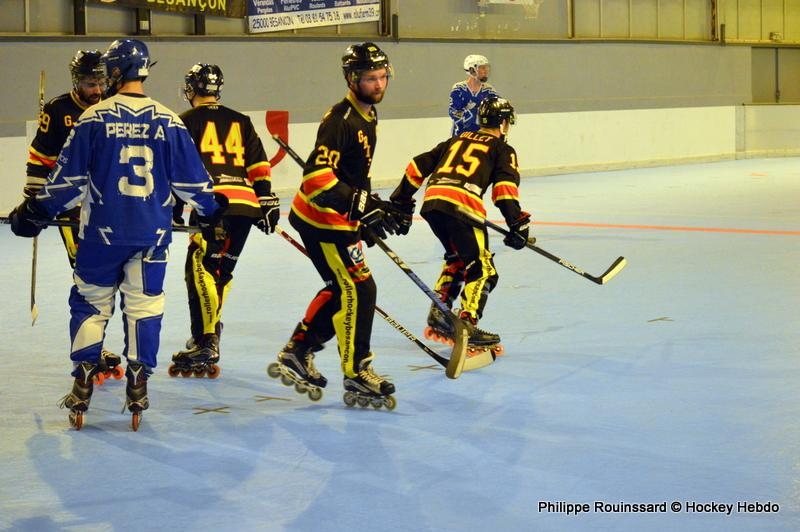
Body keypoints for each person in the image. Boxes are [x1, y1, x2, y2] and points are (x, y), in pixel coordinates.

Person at [9, 39, 224, 430]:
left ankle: (84, 378)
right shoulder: (169, 120)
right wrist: (212, 214)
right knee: (145, 306)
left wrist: (35, 211)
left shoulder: (93, 119)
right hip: (152, 235)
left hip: (99, 236)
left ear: (115, 72)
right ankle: (139, 383)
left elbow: (68, 182)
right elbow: (194, 183)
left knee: (91, 304)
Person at [266, 42, 401, 409]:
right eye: (371, 78)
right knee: (360, 289)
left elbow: (355, 174)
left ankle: (298, 350)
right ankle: (357, 372)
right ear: (352, 79)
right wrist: (359, 204)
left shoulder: (368, 114)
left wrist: (367, 213)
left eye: (382, 76)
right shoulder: (341, 120)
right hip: (320, 220)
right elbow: (316, 180)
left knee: (343, 288)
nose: (379, 84)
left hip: (339, 219)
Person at [390, 96, 530, 356]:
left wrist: (400, 200)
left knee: (457, 259)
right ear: (503, 123)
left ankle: (440, 313)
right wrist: (517, 223)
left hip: (433, 204)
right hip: (464, 207)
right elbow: (504, 189)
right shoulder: (502, 149)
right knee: (483, 269)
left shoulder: (457, 139)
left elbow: (418, 164)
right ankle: (467, 324)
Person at [169, 63, 279, 377]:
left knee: (200, 267)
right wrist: (266, 200)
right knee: (222, 270)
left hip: (211, 204)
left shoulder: (184, 121)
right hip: (244, 203)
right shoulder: (241, 120)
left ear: (191, 90)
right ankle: (208, 332)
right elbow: (258, 165)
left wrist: (174, 208)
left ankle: (207, 340)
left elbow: (179, 167)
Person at [24, 50, 124, 379]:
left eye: (100, 82)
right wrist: (32, 200)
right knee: (88, 275)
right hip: (72, 207)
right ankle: (91, 347)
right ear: (76, 81)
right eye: (89, 82)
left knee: (118, 277)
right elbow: (39, 158)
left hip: (113, 205)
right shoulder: (58, 110)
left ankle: (95, 342)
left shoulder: (117, 107)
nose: (96, 89)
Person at [448, 54, 498, 137]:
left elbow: (496, 110)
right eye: (482, 68)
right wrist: (476, 113)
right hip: (461, 136)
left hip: (482, 136)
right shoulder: (459, 88)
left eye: (486, 67)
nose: (486, 71)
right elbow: (454, 112)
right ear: (472, 70)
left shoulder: (490, 90)